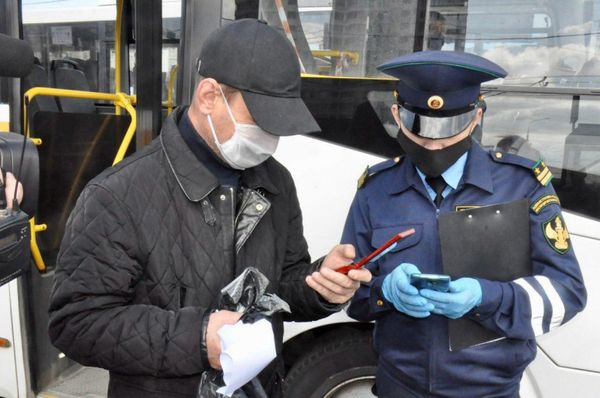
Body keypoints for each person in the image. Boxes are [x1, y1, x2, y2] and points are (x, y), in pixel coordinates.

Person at [48, 19, 370, 398]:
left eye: (279, 126)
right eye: (261, 121)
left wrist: (320, 286)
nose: (270, 138)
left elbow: (281, 284)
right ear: (209, 97)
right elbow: (76, 324)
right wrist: (198, 339)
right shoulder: (117, 195)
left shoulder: (275, 182)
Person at [342, 50, 587, 397]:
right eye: (420, 127)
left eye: (449, 127)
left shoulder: (523, 186)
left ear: (476, 118)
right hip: (400, 386)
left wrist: (486, 297)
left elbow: (566, 294)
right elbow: (352, 294)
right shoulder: (376, 191)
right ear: (397, 114)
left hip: (489, 391)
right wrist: (385, 293)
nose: (434, 142)